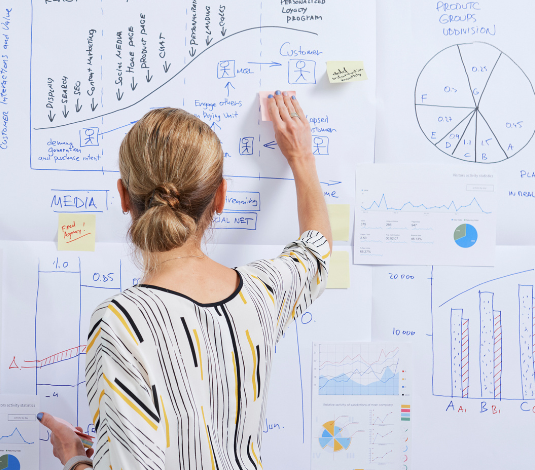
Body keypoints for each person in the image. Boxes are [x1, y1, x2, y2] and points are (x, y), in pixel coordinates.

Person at [38, 92, 331, 470]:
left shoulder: (120, 322)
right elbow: (317, 250)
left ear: (124, 196)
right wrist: (301, 156)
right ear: (221, 197)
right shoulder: (262, 293)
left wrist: (73, 457)